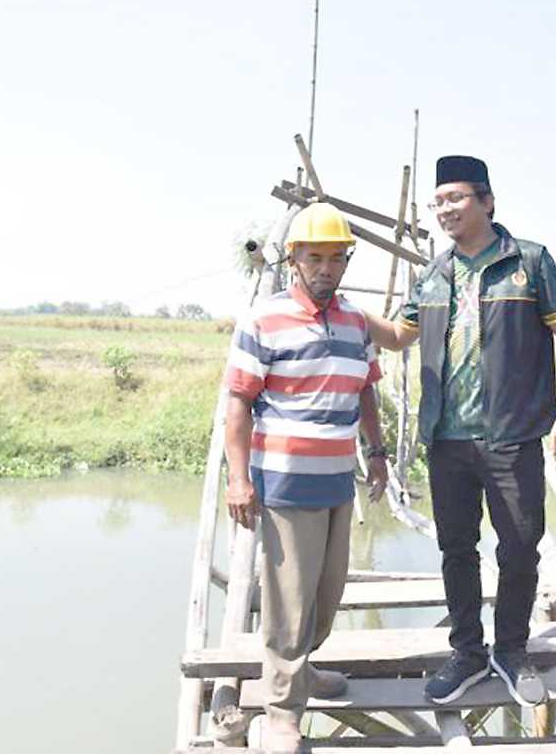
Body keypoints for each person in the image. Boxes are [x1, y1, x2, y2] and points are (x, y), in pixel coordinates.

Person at [364, 155, 556, 707]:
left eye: (456, 198)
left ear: (487, 201)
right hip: (447, 439)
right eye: (438, 202)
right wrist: (347, 308)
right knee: (455, 548)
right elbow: (399, 335)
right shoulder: (434, 273)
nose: (445, 210)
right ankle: (467, 652)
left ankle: (512, 651)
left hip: (512, 436)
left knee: (518, 547)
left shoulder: (528, 262)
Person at [221, 201, 390, 752]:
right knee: (289, 598)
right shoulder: (263, 320)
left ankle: (303, 669)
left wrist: (380, 451)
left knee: (326, 591)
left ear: (346, 263)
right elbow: (240, 403)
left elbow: (366, 388)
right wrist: (239, 479)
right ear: (294, 259)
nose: (325, 268)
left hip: (338, 477)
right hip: (285, 482)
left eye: (336, 259)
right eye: (314, 257)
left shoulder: (355, 322)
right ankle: (282, 710)